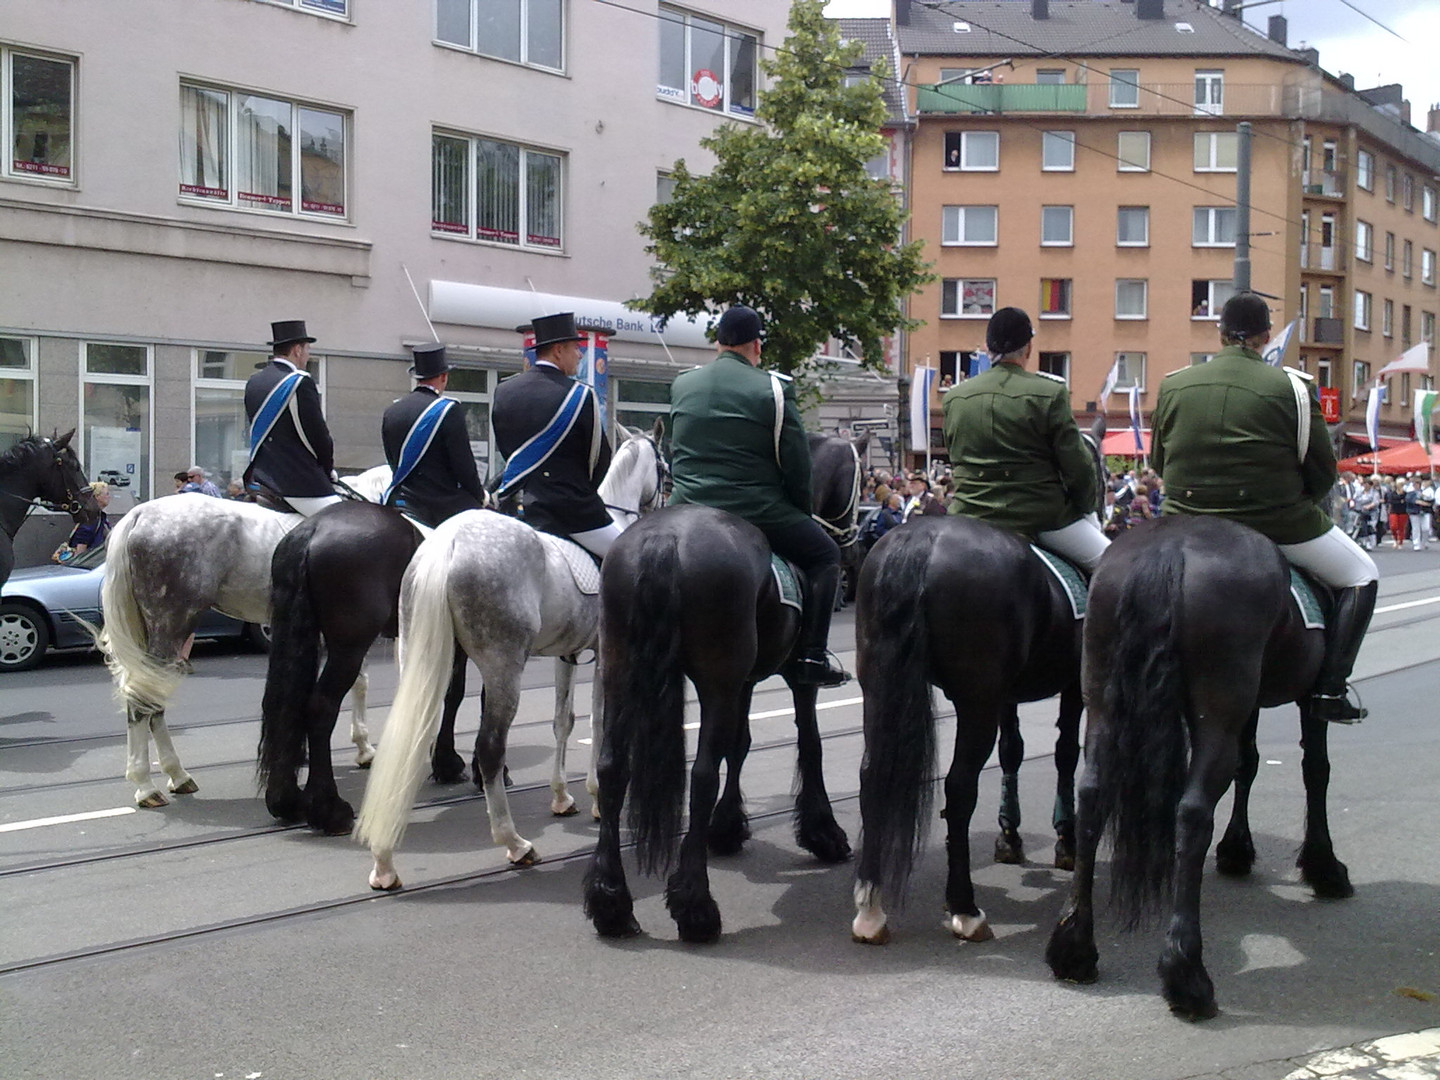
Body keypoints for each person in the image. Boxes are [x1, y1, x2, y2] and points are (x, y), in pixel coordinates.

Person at [1150, 292, 1379, 722]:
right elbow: (1321, 471)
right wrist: (1301, 502)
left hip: (1184, 521)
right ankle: (1330, 689)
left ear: (1218, 333)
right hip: (1274, 520)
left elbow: (1159, 463)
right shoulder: (1292, 387)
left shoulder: (1174, 384)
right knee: (1362, 575)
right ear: (1266, 336)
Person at [668, 304, 848, 687]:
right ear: (756, 346)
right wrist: (801, 511)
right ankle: (812, 655)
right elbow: (797, 466)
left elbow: (677, 451)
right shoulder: (773, 388)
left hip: (685, 503)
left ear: (717, 344)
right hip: (755, 509)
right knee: (826, 556)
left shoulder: (683, 383)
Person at [941, 306, 1108, 572]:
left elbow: (955, 457)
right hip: (1041, 517)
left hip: (969, 514)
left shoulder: (954, 397)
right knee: (1114, 568)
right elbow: (1077, 468)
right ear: (1028, 348)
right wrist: (1085, 507)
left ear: (987, 348)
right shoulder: (1049, 392)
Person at [491, 313, 618, 557]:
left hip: (513, 507)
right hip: (570, 511)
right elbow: (599, 461)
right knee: (629, 558)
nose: (580, 355)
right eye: (575, 348)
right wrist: (579, 491)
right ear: (558, 351)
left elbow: (507, 450)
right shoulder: (581, 396)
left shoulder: (504, 390)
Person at [381, 343, 487, 528]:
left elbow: (393, 461)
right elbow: (463, 466)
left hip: (403, 499)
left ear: (417, 377)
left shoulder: (393, 410)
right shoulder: (448, 410)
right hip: (441, 503)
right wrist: (479, 496)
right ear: (444, 377)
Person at [243, 320, 340, 517]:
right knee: (345, 522)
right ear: (297, 350)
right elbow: (317, 435)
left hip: (260, 478)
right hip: (296, 482)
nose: (307, 355)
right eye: (307, 350)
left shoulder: (254, 381)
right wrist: (328, 470)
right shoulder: (299, 382)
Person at [57, 480, 112, 559]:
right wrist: (79, 562)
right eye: (106, 494)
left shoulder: (98, 516)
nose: (109, 497)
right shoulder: (91, 518)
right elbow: (81, 544)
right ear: (97, 496)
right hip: (89, 562)